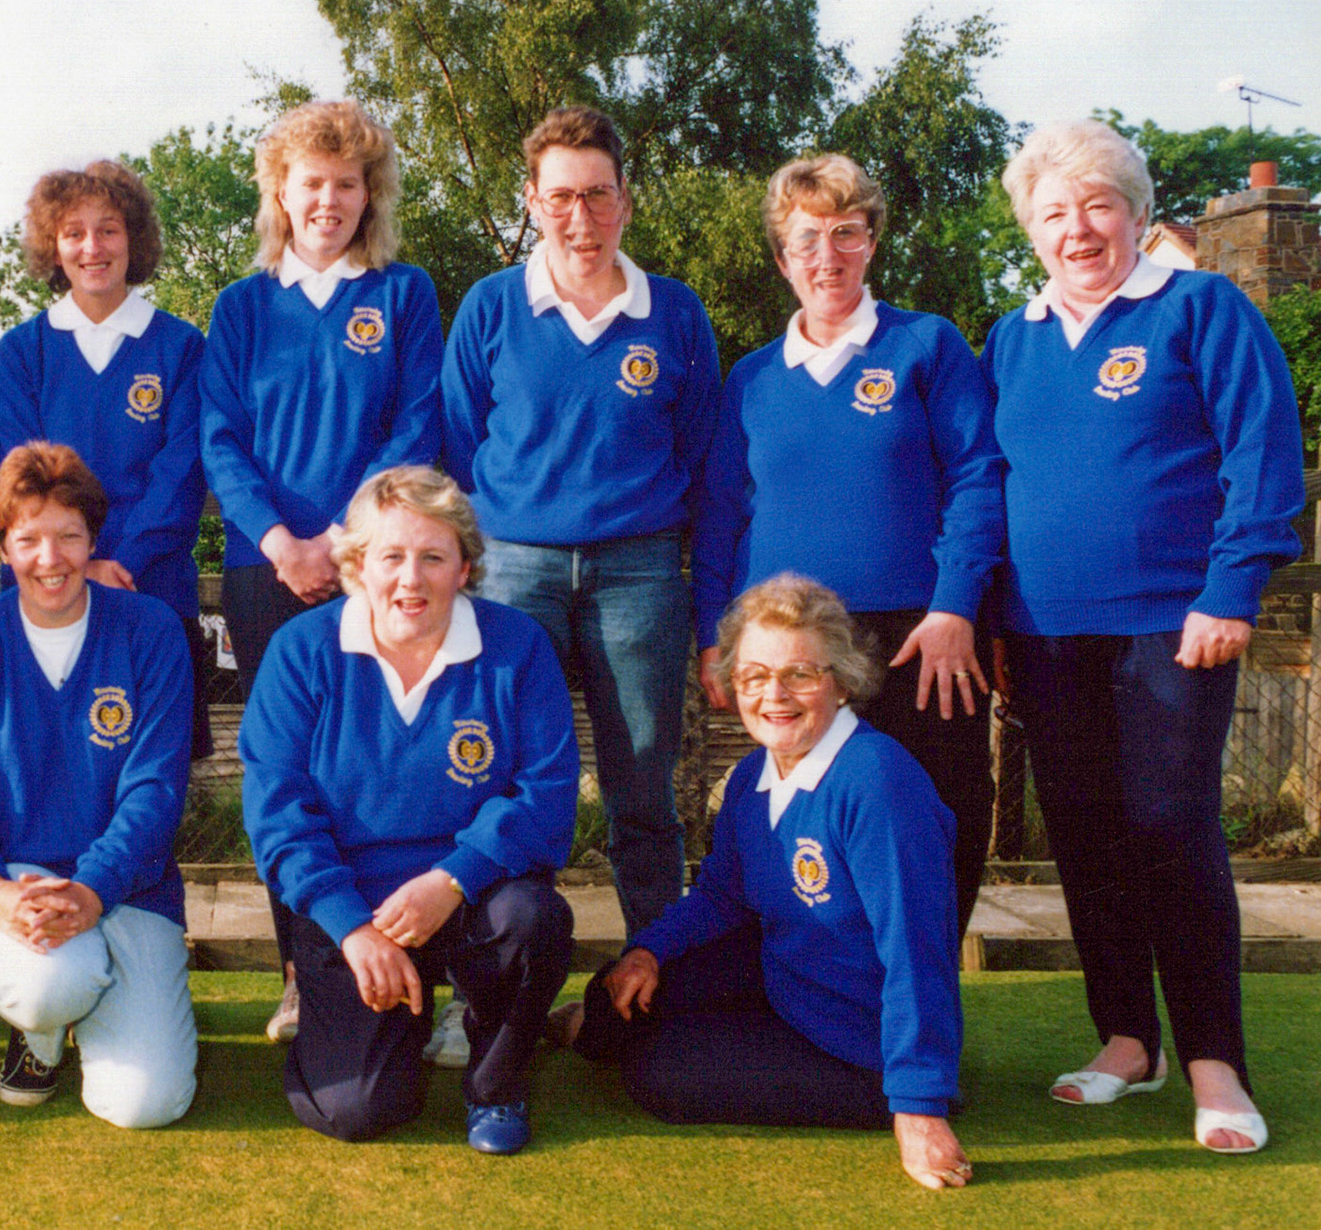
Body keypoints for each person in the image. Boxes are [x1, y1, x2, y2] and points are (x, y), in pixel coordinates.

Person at [985, 120, 1304, 1155]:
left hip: (1175, 622)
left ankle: (1216, 1061)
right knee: (1084, 833)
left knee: (1171, 826)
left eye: (1096, 205)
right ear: (1031, 231)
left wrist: (1231, 585)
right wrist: (988, 616)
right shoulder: (1011, 337)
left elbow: (1262, 450)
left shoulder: (1201, 307)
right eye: (1053, 213)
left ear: (1133, 211)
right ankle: (1128, 1037)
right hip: (1042, 630)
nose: (1076, 229)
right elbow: (991, 484)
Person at [552, 574, 970, 1189]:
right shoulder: (753, 776)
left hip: (859, 1041)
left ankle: (914, 1084)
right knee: (616, 995)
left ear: (844, 678)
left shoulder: (878, 781)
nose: (773, 694)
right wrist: (648, 950)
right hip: (785, 980)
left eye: (800, 674)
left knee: (660, 1077)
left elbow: (917, 949)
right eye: (753, 676)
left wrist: (920, 1104)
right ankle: (576, 1024)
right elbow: (722, 896)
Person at [692, 152, 1004, 938]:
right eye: (806, 240)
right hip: (788, 652)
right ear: (780, 257)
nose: (826, 256)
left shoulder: (928, 346)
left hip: (919, 637)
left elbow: (977, 478)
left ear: (872, 241)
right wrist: (711, 640)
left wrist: (955, 607)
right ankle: (823, 994)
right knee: (805, 824)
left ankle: (923, 1008)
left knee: (939, 813)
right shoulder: (752, 380)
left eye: (846, 233)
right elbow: (721, 515)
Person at [441, 105, 720, 939]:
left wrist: (710, 617)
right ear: (530, 200)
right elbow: (454, 455)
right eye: (561, 196)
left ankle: (657, 972)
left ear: (626, 200)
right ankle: (492, 986)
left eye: (597, 195)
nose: (581, 218)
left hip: (638, 575)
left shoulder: (674, 314)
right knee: (502, 779)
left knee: (645, 790)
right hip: (512, 574)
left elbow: (705, 466)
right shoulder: (489, 308)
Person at [240, 466, 578, 1155]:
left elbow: (546, 794)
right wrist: (352, 929)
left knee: (535, 918)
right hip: (357, 914)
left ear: (466, 567)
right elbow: (278, 813)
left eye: (433, 556)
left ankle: (496, 1084)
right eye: (390, 556)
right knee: (357, 1111)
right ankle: (372, 1017)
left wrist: (451, 880)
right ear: (355, 565)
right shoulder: (302, 651)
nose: (410, 579)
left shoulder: (518, 647)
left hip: (472, 897)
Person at [200, 98, 443, 1045]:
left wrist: (349, 540)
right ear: (280, 193)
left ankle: (423, 966)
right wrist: (279, 541)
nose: (329, 201)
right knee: (289, 774)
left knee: (391, 767)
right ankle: (305, 974)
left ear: (368, 193)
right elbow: (220, 438)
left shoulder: (403, 293)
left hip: (379, 569)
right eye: (312, 184)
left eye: (348, 184)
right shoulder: (242, 306)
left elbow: (418, 423)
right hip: (268, 571)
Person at [0, 443, 197, 1129]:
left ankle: (90, 1006)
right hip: (6, 886)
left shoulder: (150, 630)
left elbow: (154, 791)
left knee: (144, 1106)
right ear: (2, 548)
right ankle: (40, 1028)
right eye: (27, 539)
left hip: (128, 889)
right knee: (47, 988)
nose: (50, 558)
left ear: (94, 537)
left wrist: (91, 890)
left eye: (69, 536)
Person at [0, 160, 209, 758]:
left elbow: (182, 471)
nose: (92, 247)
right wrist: (78, 564)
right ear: (51, 248)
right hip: (46, 593)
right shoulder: (20, 352)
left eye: (108, 229)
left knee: (155, 778)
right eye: (73, 232)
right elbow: (22, 479)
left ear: (133, 239)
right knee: (50, 767)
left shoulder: (182, 347)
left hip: (152, 590)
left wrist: (123, 563)